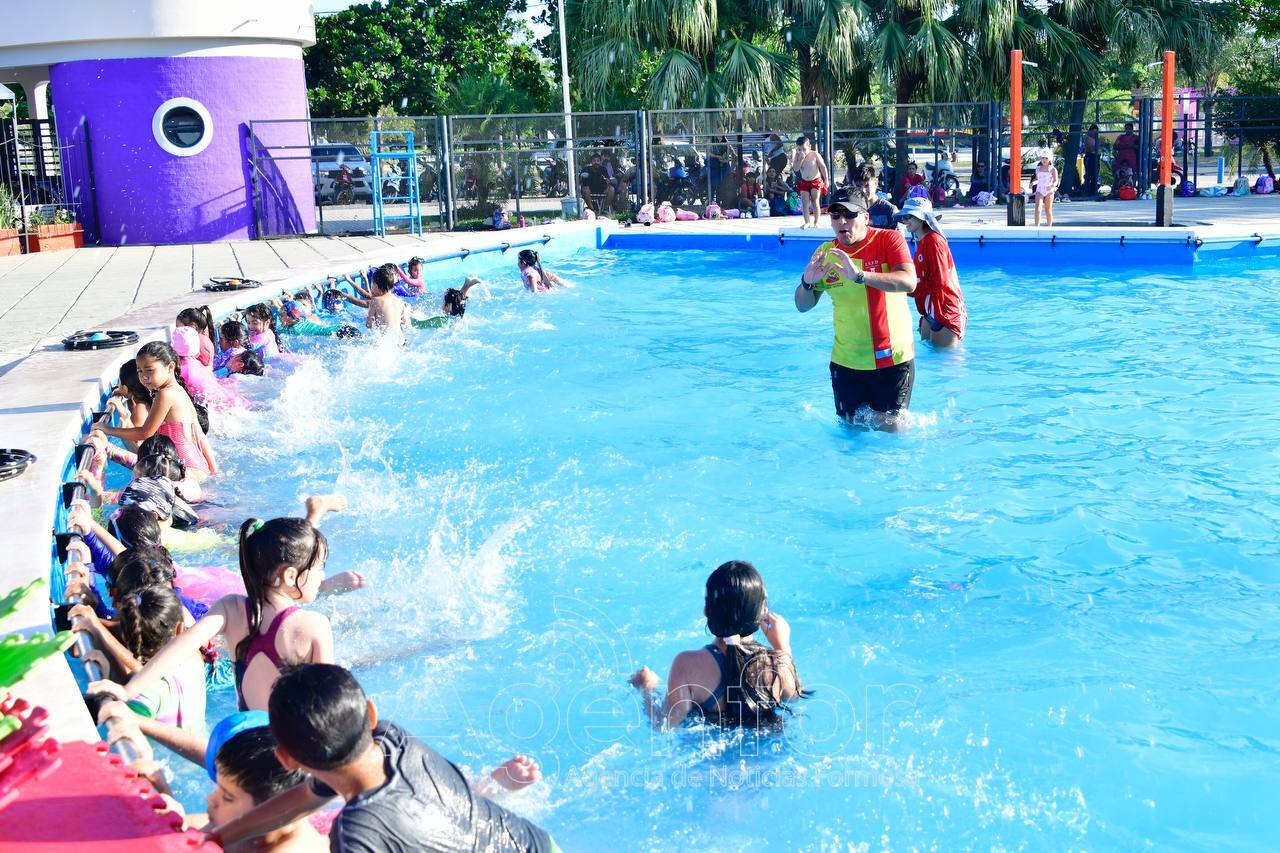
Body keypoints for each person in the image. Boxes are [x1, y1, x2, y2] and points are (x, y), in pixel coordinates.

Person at [207, 664, 556, 852]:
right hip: (538, 844)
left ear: (286, 759)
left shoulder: (356, 834)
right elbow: (304, 797)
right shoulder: (393, 738)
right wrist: (218, 838)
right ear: (371, 714)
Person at [88, 505, 347, 713]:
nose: (322, 575)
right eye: (319, 568)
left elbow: (178, 648)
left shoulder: (232, 608)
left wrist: (129, 690)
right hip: (293, 746)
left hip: (245, 740)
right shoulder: (314, 625)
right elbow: (329, 700)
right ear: (290, 576)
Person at [793, 188, 917, 430]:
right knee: (850, 432)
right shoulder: (825, 253)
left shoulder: (888, 240)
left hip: (891, 360)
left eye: (849, 215)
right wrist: (807, 283)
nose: (842, 221)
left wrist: (860, 275)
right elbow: (802, 306)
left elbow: (909, 281)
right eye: (835, 215)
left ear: (866, 217)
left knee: (892, 430)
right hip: (846, 363)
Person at [629, 560, 801, 728]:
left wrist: (646, 689)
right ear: (762, 613)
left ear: (706, 612)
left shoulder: (687, 665)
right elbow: (793, 695)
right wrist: (782, 646)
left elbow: (664, 723)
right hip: (768, 742)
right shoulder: (774, 663)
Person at [94, 342, 217, 481]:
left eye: (149, 370)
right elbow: (201, 437)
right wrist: (213, 470)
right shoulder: (180, 392)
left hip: (179, 472)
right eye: (140, 371)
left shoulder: (165, 394)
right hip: (197, 468)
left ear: (170, 367)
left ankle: (107, 450)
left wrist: (108, 430)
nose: (144, 377)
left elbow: (145, 432)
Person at [892, 197, 967, 348]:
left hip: (946, 311)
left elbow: (940, 281)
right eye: (904, 217)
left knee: (945, 360)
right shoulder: (922, 242)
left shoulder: (934, 241)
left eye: (909, 216)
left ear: (922, 218)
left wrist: (908, 290)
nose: (905, 221)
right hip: (930, 310)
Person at [790, 135, 829, 229]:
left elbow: (823, 167)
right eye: (799, 149)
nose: (802, 152)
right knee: (805, 203)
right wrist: (801, 159)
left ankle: (816, 222)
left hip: (816, 181)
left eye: (804, 149)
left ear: (809, 146)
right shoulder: (797, 156)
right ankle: (807, 222)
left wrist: (826, 179)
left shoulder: (815, 154)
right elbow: (796, 168)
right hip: (804, 182)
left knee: (815, 201)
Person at [364, 264, 409, 343]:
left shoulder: (375, 301)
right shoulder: (400, 301)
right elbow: (406, 324)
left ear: (376, 286)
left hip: (387, 341)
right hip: (401, 339)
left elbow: (369, 324)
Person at [854, 163, 898, 228]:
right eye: (858, 186)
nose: (863, 190)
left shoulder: (890, 210)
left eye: (866, 186)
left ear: (876, 183)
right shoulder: (851, 209)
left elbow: (898, 234)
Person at [1033, 149, 1058, 227]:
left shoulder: (1052, 169)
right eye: (1043, 158)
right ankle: (1037, 227)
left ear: (1050, 159)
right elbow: (1038, 179)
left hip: (1049, 190)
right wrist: (1033, 183)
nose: (1044, 160)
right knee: (1038, 208)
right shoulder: (1038, 168)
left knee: (1048, 210)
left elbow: (1056, 181)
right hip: (1040, 189)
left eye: (1046, 158)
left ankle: (1049, 227)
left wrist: (1052, 185)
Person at [1083, 124, 1101, 195]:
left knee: (1095, 174)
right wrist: (1098, 144)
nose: (1095, 134)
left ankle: (1093, 190)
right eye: (1093, 132)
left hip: (1097, 157)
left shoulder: (1096, 139)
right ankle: (1087, 190)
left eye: (1096, 132)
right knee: (1089, 174)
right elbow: (1090, 149)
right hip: (1090, 157)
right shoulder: (1087, 138)